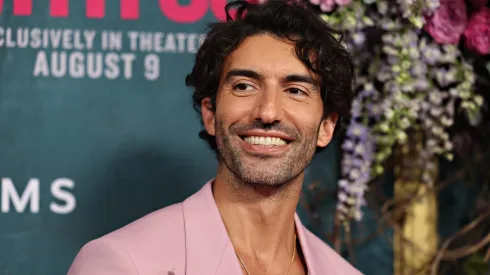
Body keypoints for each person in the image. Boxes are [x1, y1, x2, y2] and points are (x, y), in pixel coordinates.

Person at [67, 0, 362, 274]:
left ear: (327, 127)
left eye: (295, 90)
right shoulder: (122, 263)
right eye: (245, 86)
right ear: (210, 113)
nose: (268, 111)